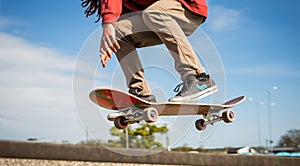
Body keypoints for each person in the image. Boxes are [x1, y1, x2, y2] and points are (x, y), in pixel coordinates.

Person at [82, 0, 217, 102]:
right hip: (156, 18)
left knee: (153, 13)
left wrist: (108, 22)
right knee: (118, 31)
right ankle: (140, 93)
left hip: (186, 7)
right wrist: (111, 32)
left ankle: (198, 78)